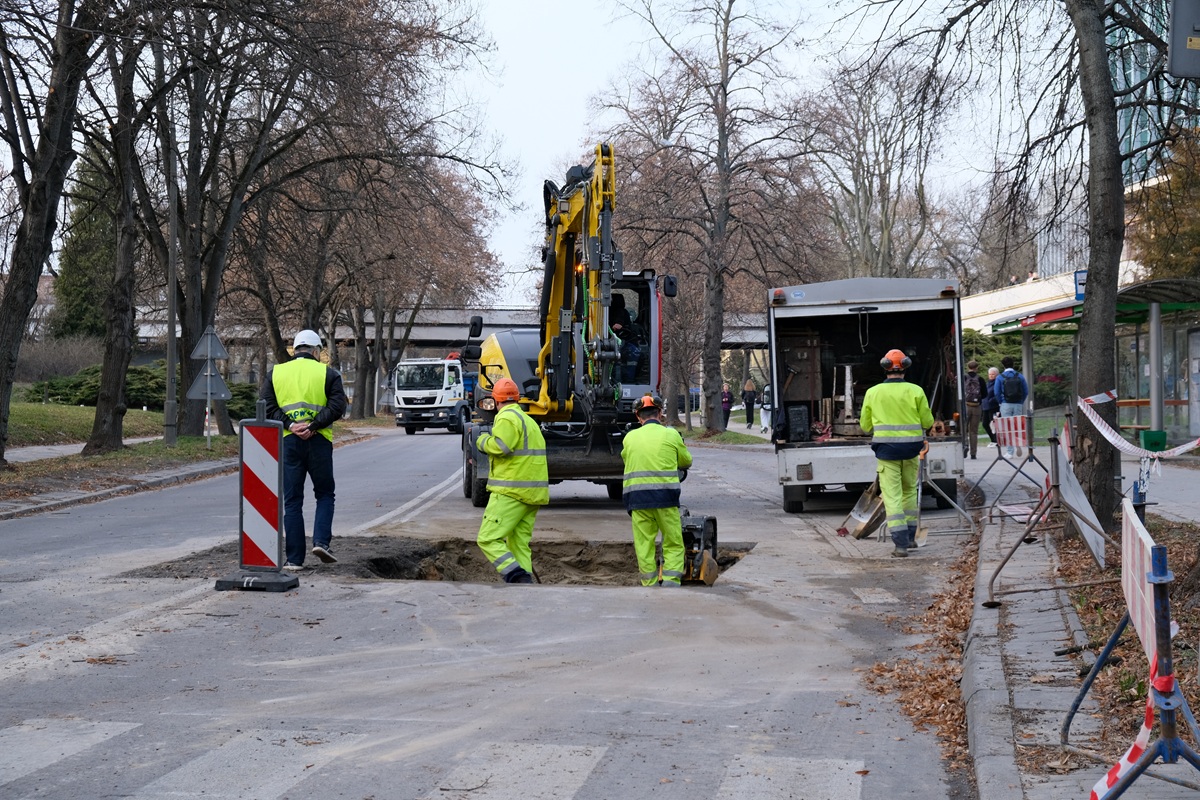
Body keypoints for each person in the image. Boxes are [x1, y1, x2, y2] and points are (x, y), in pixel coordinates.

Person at [260, 329, 347, 570]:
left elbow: (267, 406)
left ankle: (294, 559)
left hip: (289, 442)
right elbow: (338, 405)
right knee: (325, 494)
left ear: (295, 349)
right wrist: (315, 424)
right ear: (317, 351)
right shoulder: (328, 373)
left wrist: (290, 425)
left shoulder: (276, 373)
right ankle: (321, 543)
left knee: (292, 501)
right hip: (319, 440)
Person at [859, 349, 934, 558]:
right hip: (911, 451)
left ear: (884, 367)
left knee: (892, 496)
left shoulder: (873, 392)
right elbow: (928, 422)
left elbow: (865, 426)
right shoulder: (916, 391)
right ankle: (910, 539)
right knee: (910, 491)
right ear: (906, 367)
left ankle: (900, 545)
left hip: (886, 453)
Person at [475, 377, 549, 584]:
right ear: (516, 398)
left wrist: (481, 441)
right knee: (519, 543)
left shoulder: (506, 417)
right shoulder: (528, 421)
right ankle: (525, 590)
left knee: (488, 538)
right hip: (531, 494)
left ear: (496, 401)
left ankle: (517, 577)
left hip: (511, 492)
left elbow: (501, 446)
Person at [620, 394, 693, 586]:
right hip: (666, 498)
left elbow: (626, 459)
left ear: (638, 416)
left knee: (644, 544)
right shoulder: (671, 434)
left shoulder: (629, 438)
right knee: (673, 540)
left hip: (637, 500)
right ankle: (670, 582)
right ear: (660, 413)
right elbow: (686, 461)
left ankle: (649, 584)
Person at [993, 356, 1029, 458]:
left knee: (1007, 427)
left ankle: (1010, 451)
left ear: (1003, 365)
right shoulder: (1020, 376)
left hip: (1005, 404)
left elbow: (996, 392)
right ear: (1013, 364)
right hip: (1018, 404)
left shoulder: (1000, 377)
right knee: (1016, 426)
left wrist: (1001, 402)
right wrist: (1021, 401)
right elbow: (1025, 391)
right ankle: (1017, 443)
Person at [610, 293, 641, 383]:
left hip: (625, 342)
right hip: (611, 344)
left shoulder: (623, 313)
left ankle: (629, 380)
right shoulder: (603, 313)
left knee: (633, 354)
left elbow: (619, 324)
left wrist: (618, 326)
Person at [962, 360, 986, 460]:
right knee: (974, 431)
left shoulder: (964, 377)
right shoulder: (980, 379)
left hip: (966, 406)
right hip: (976, 407)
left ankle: (965, 446)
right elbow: (985, 394)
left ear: (968, 367)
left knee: (964, 429)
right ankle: (973, 453)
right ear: (977, 368)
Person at [981, 367, 1000, 449]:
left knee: (994, 424)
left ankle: (996, 440)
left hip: (993, 406)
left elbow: (997, 394)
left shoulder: (997, 383)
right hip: (985, 406)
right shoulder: (987, 383)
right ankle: (993, 439)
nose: (991, 376)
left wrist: (992, 400)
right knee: (985, 423)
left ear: (996, 375)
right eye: (990, 374)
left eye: (993, 374)